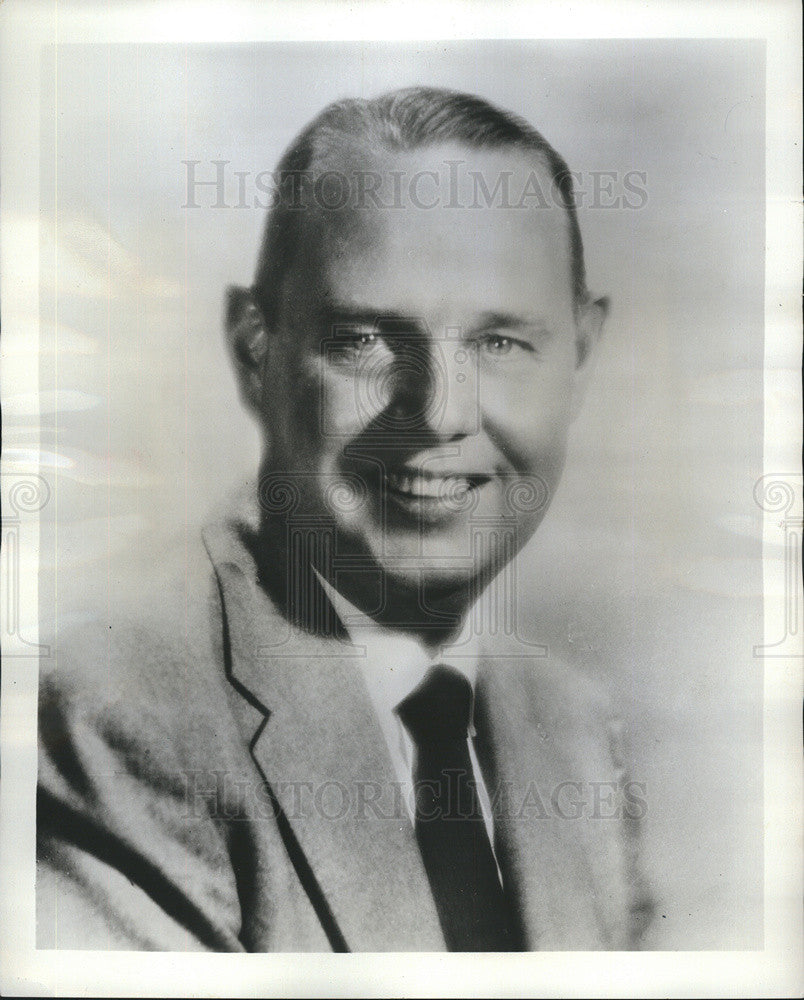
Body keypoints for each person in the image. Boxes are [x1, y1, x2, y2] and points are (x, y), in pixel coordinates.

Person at [37, 86, 654, 951]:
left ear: (581, 358)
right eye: (367, 340)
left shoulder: (574, 728)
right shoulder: (118, 714)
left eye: (501, 343)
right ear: (257, 348)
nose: (441, 413)